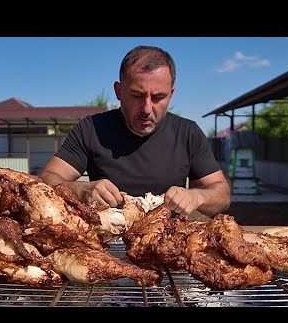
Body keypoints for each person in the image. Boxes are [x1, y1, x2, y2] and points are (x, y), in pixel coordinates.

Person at [39, 45, 231, 218]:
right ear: (119, 91)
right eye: (137, 95)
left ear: (171, 94)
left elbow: (222, 195)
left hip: (167, 245)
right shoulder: (91, 129)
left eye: (158, 97)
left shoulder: (187, 133)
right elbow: (45, 181)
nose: (147, 108)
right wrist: (80, 190)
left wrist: (196, 196)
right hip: (105, 242)